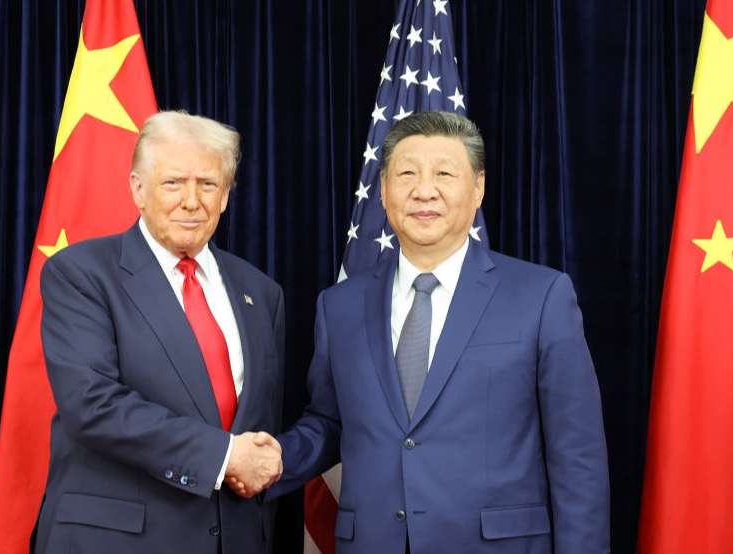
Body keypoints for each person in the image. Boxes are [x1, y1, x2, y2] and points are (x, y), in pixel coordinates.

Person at [255, 112, 610, 553]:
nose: (425, 190)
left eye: (444, 173)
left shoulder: (541, 296)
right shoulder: (340, 306)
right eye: (407, 174)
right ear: (384, 191)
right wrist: (270, 462)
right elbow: (331, 423)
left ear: (477, 187)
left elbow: (578, 460)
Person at [34, 111, 285, 554]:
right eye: (173, 183)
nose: (191, 201)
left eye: (207, 184)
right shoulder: (81, 274)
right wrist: (225, 456)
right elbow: (93, 404)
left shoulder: (261, 293)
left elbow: (261, 420)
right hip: (117, 541)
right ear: (138, 189)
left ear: (225, 196)